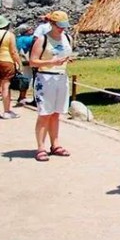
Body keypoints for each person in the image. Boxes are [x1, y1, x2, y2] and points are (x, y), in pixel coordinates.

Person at [28, 10, 75, 160]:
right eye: (59, 26)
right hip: (46, 78)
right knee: (44, 113)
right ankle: (40, 147)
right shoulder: (42, 40)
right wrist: (51, 62)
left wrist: (68, 59)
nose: (62, 29)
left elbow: (65, 54)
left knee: (56, 113)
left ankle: (55, 144)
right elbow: (33, 61)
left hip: (61, 77)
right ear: (52, 24)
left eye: (64, 26)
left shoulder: (67, 38)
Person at [0, 15, 22, 120]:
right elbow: (13, 52)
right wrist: (19, 64)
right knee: (5, 87)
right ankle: (6, 111)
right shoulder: (9, 35)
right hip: (6, 62)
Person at [14, 23, 34, 106]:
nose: (32, 30)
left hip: (20, 60)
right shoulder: (29, 39)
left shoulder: (18, 39)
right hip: (27, 61)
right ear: (25, 31)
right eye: (29, 29)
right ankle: (23, 97)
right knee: (28, 78)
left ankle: (21, 96)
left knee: (24, 78)